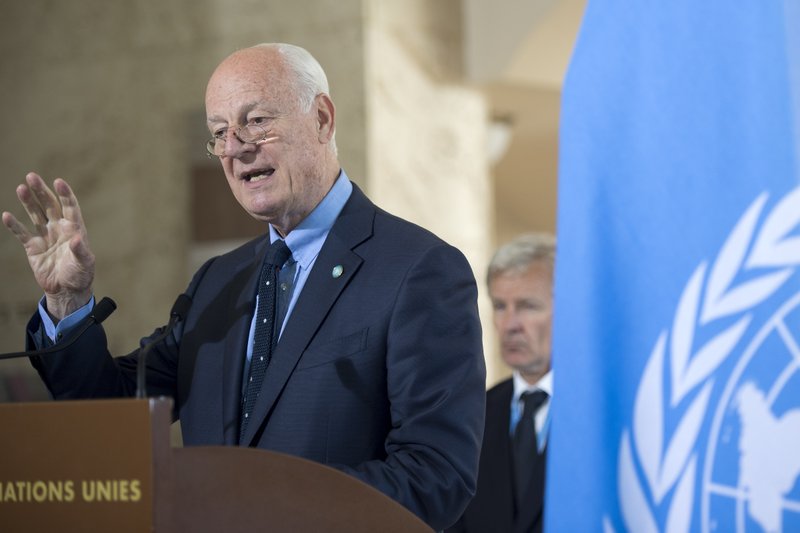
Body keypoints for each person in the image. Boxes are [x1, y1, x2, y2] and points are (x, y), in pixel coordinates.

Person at [2, 43, 486, 531]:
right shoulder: (217, 283)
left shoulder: (418, 269)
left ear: (321, 119)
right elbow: (111, 412)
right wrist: (67, 302)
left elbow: (436, 477)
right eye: (219, 134)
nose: (235, 149)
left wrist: (264, 504)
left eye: (256, 121)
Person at [448, 233, 555, 533]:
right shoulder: (472, 414)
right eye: (499, 306)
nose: (509, 324)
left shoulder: (607, 414)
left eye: (528, 306)